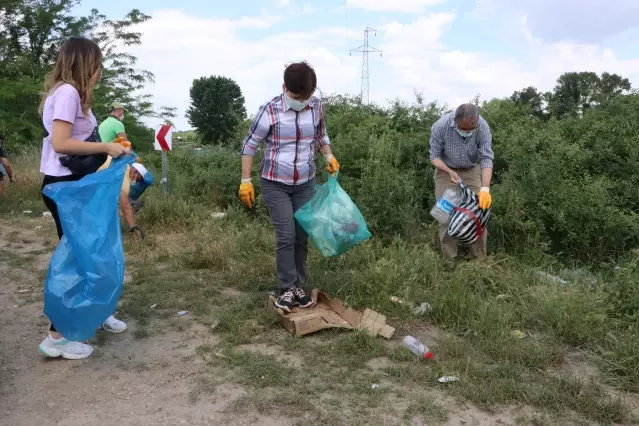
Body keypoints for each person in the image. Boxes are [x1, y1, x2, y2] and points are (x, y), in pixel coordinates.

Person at [38, 36, 131, 360]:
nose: (100, 71)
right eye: (97, 64)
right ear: (84, 64)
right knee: (79, 259)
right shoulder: (66, 93)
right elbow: (61, 143)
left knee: (95, 252)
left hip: (77, 185)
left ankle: (96, 311)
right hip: (67, 188)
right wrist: (106, 147)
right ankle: (57, 335)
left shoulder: (72, 96)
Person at [239, 61, 339, 313]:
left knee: (302, 235)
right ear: (284, 88)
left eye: (306, 97)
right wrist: (245, 181)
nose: (301, 102)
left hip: (305, 181)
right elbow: (250, 145)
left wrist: (328, 155)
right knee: (286, 236)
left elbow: (320, 136)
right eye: (296, 97)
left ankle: (298, 286)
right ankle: (286, 287)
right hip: (275, 182)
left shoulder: (315, 107)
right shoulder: (270, 110)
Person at [429, 103, 494, 261]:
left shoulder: (482, 126)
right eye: (465, 129)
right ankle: (449, 260)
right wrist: (449, 172)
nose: (470, 131)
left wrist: (485, 189)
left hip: (471, 171)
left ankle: (479, 260)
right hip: (447, 171)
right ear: (456, 122)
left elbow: (486, 158)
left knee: (478, 213)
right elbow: (434, 157)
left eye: (473, 128)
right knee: (446, 215)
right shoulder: (440, 126)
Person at [97, 156, 146, 238]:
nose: (136, 181)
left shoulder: (121, 164)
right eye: (138, 179)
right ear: (135, 172)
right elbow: (125, 206)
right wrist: (133, 227)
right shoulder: (124, 175)